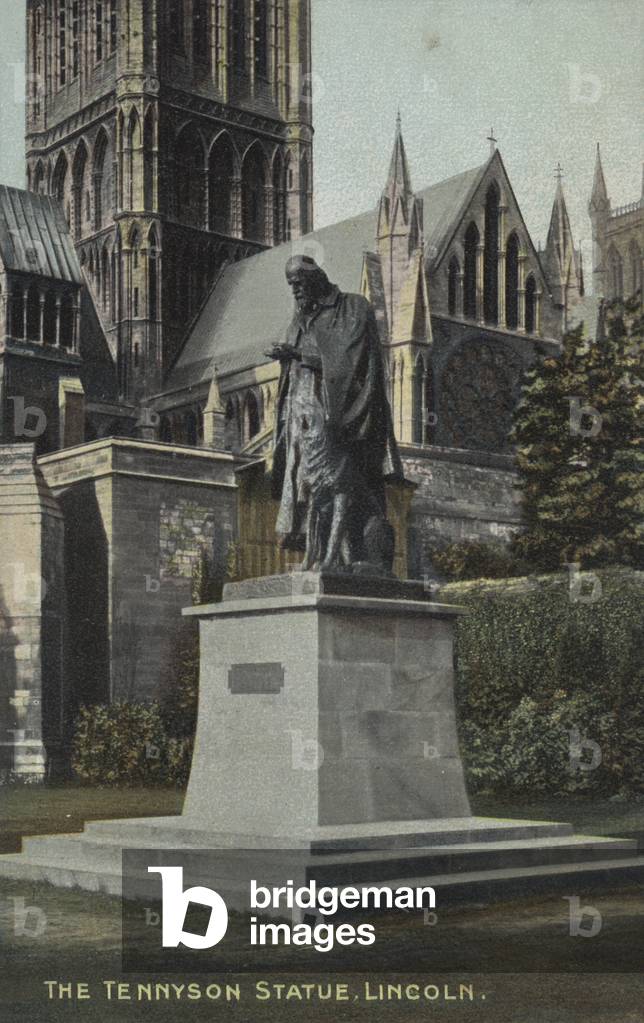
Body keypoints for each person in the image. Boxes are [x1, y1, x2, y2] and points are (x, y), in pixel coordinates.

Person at [267, 255, 403, 573]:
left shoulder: (354, 307)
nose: (295, 292)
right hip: (302, 419)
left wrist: (297, 353)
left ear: (315, 279)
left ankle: (349, 558)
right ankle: (317, 556)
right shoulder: (299, 317)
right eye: (291, 286)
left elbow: (352, 361)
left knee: (346, 492)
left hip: (341, 420)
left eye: (299, 284)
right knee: (310, 492)